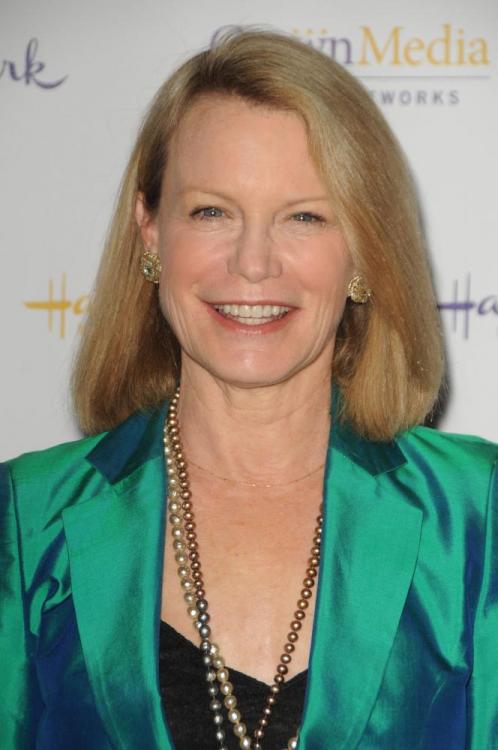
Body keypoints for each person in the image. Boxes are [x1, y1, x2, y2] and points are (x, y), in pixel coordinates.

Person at [1, 28, 497, 750]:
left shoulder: (478, 516)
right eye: (212, 211)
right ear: (150, 231)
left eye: (305, 216)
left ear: (363, 249)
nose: (254, 263)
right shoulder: (25, 522)